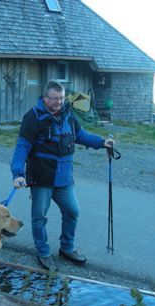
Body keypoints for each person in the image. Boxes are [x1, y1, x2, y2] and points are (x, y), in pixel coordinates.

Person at [10, 80, 115, 271]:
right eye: (54, 98)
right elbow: (22, 146)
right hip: (42, 178)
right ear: (45, 98)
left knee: (72, 211)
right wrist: (18, 173)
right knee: (39, 216)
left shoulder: (68, 115)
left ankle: (67, 248)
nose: (58, 102)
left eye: (61, 98)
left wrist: (102, 142)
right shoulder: (32, 117)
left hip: (64, 179)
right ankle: (43, 252)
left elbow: (80, 135)